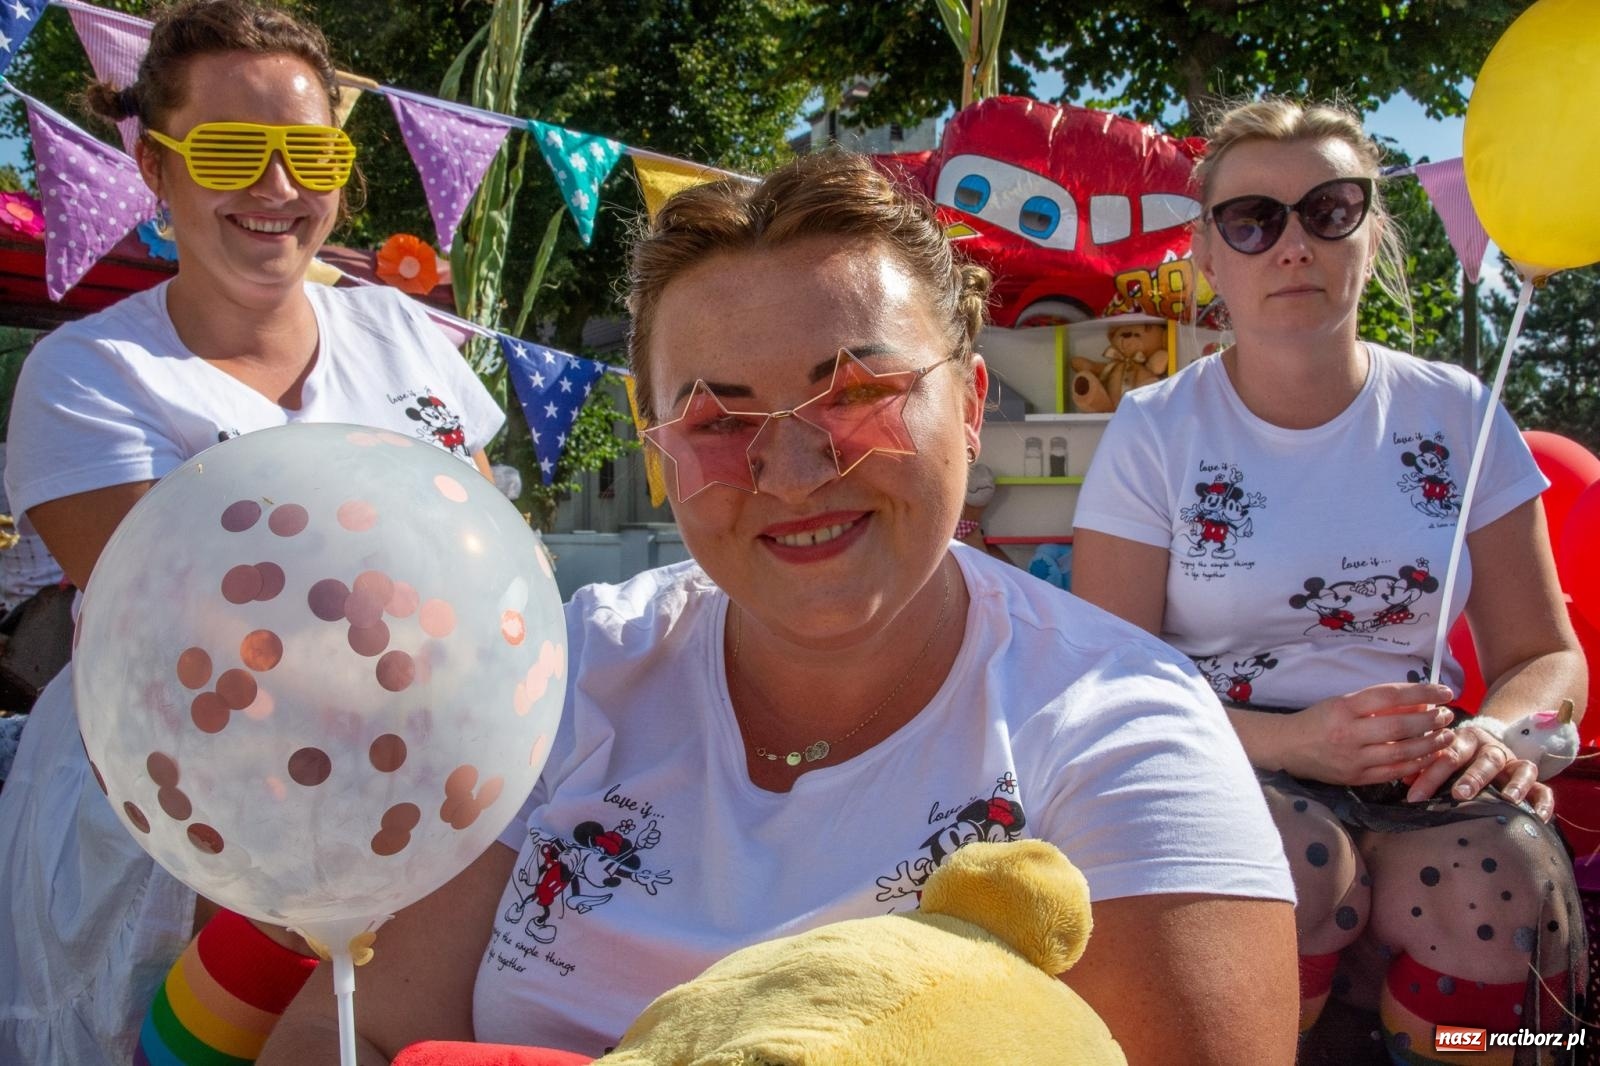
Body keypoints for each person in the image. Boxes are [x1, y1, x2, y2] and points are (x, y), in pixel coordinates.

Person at [260, 152, 1298, 1065]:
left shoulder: (1118, 723)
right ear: (658, 443)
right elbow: (353, 1031)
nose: (792, 472)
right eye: (717, 416)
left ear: (971, 406)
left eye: (855, 393)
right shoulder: (570, 671)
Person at [0, 3, 504, 1063]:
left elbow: (491, 551)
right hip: (175, 819)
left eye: (310, 149)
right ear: (154, 164)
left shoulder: (404, 333)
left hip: (410, 800)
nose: (277, 187)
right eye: (233, 148)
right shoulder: (92, 376)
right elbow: (188, 633)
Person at [1072, 98, 1588, 1062]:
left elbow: (1546, 656)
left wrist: (1500, 737)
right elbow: (1109, 685)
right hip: (1227, 753)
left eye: (1329, 209)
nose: (1293, 245)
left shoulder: (1459, 414)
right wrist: (1298, 741)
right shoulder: (1155, 431)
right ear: (1209, 256)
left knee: (1500, 884)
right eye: (1253, 220)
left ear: (1369, 232)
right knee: (1294, 867)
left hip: (1428, 772)